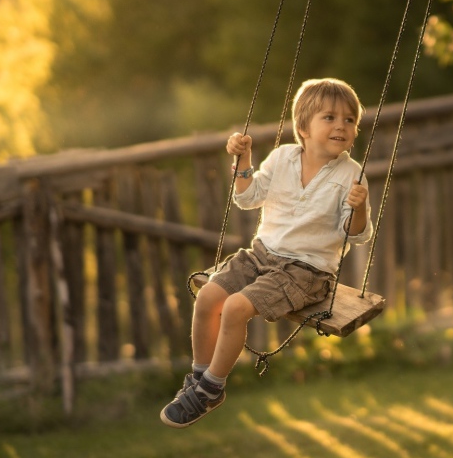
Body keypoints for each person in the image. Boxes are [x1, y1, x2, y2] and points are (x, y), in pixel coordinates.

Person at [160, 78, 374, 428]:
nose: (341, 126)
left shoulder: (352, 176)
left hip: (306, 271)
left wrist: (360, 207)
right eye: (330, 117)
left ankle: (212, 388)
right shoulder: (282, 157)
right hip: (261, 255)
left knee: (235, 307)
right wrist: (243, 159)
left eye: (349, 120)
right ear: (303, 128)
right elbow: (247, 198)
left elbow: (357, 235)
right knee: (208, 296)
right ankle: (199, 378)